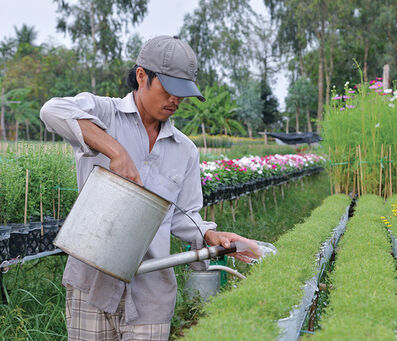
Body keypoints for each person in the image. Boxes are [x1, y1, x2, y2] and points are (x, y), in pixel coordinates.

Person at [40, 35, 256, 341]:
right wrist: (116, 151)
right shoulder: (105, 114)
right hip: (92, 285)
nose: (176, 101)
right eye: (169, 90)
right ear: (142, 76)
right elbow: (52, 110)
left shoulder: (185, 150)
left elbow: (184, 216)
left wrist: (210, 234)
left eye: (182, 94)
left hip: (151, 293)